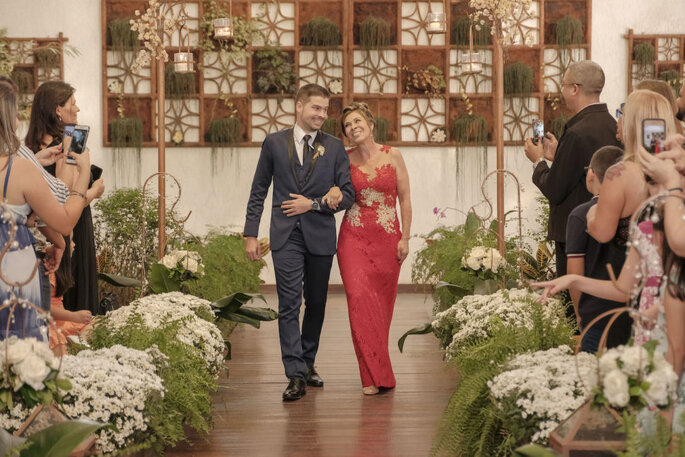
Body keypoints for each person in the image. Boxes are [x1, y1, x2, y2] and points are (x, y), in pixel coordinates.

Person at [243, 83, 355, 401]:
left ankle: (307, 363)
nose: (322, 114)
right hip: (285, 235)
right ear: (299, 106)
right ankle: (294, 374)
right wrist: (250, 233)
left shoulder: (334, 148)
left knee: (316, 304)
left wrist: (315, 203)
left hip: (320, 234)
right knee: (289, 304)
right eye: (316, 108)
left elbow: (348, 195)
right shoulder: (274, 143)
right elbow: (258, 190)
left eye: (325, 109)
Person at [0, 80, 89, 341]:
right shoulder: (18, 170)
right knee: (19, 347)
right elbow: (64, 222)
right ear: (7, 120)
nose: (18, 122)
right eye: (16, 115)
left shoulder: (22, 168)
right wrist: (82, 175)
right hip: (12, 272)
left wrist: (36, 163)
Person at [337, 102, 412, 395]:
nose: (353, 127)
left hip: (388, 239)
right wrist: (332, 191)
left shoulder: (393, 155)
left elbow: (405, 199)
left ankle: (381, 370)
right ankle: (369, 376)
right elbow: (338, 192)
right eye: (347, 126)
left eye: (357, 121)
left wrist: (405, 237)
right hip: (353, 238)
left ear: (369, 123)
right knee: (358, 301)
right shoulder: (343, 159)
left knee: (381, 308)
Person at [524, 61, 620, 282]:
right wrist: (560, 155)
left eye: (564, 85)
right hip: (607, 226)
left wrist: (537, 161)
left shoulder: (577, 132)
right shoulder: (610, 124)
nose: (562, 91)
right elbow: (587, 168)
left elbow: (555, 189)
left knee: (572, 303)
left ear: (575, 89)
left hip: (577, 232)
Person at [25, 81, 105, 315]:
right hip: (69, 231)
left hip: (44, 231)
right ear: (58, 110)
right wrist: (94, 192)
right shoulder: (66, 145)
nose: (78, 109)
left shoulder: (29, 149)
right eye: (73, 103)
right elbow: (64, 199)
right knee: (75, 301)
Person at [565, 145, 631, 353]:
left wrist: (579, 313)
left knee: (595, 379)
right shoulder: (633, 210)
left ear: (591, 173)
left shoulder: (581, 214)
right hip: (630, 311)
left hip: (595, 313)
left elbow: (574, 271)